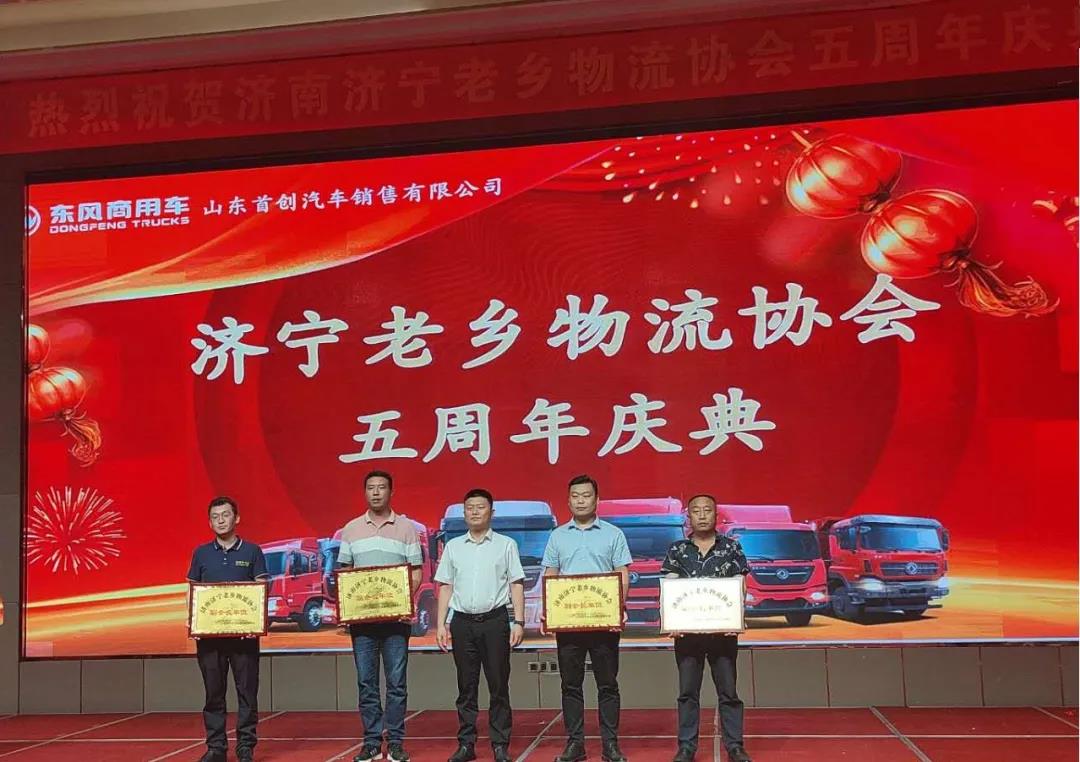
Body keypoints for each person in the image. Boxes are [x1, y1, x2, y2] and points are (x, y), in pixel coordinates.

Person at [541, 475, 632, 762]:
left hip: (603, 622)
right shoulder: (557, 536)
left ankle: (610, 745)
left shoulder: (613, 534)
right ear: (568, 501)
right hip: (569, 624)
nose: (581, 500)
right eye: (575, 496)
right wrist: (548, 609)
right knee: (570, 685)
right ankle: (575, 744)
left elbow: (622, 573)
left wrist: (618, 605)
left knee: (608, 685)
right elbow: (551, 574)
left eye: (586, 495)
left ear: (597, 500)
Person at [337, 470, 424, 762]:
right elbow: (345, 573)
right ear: (365, 492)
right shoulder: (351, 529)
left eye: (381, 487)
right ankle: (372, 743)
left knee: (396, 683)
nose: (376, 492)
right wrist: (351, 607)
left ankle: (396, 742)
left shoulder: (406, 528)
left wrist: (400, 601)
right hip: (362, 624)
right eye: (371, 488)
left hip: (396, 622)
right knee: (366, 683)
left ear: (391, 492)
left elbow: (416, 571)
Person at [435, 488, 526, 762]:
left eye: (480, 507)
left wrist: (519, 621)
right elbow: (445, 586)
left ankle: (500, 744)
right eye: (470, 507)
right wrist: (441, 624)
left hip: (495, 622)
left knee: (498, 685)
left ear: (491, 512)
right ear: (464, 513)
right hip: (462, 623)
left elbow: (516, 584)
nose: (475, 512)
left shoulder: (506, 545)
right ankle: (466, 744)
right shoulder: (453, 547)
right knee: (466, 686)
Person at [661, 494, 751, 762]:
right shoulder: (677, 549)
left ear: (716, 515)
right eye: (696, 511)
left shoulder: (732, 547)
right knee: (687, 693)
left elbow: (740, 583)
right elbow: (670, 585)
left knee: (728, 692)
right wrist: (670, 621)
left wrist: (737, 618)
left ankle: (735, 746)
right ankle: (686, 747)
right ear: (688, 516)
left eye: (707, 510)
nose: (702, 515)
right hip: (687, 635)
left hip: (723, 633)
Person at [186, 496, 269, 762]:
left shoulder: (252, 551)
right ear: (209, 522)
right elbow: (192, 590)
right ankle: (216, 748)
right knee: (213, 694)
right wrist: (192, 619)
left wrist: (256, 621)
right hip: (209, 638)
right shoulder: (201, 553)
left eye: (225, 515)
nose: (220, 520)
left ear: (237, 518)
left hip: (244, 638)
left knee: (247, 693)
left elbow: (262, 589)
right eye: (215, 517)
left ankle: (245, 747)